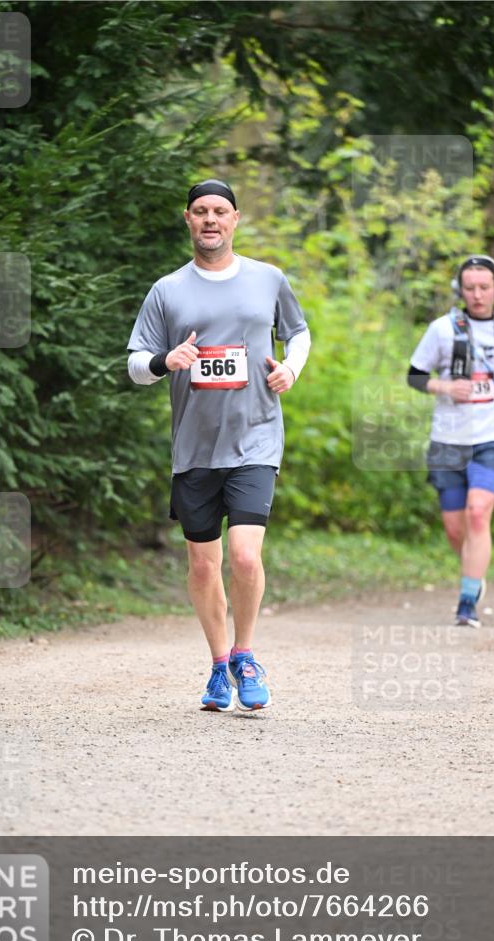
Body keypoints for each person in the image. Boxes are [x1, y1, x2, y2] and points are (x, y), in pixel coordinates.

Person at [127, 179, 310, 709]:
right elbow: (137, 362)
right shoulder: (167, 290)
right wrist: (167, 362)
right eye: (201, 211)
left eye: (221, 211)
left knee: (245, 557)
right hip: (194, 448)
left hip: (256, 438)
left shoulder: (267, 279)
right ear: (187, 219)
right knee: (204, 566)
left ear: (235, 220)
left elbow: (298, 333)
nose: (211, 219)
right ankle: (216, 666)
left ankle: (246, 655)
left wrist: (291, 369)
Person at [408, 254, 494, 627]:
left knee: (478, 513)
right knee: (455, 528)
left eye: (485, 287)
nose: (478, 295)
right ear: (459, 290)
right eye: (470, 288)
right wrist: (445, 386)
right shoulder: (442, 329)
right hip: (448, 439)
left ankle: (467, 602)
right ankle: (474, 573)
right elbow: (415, 375)